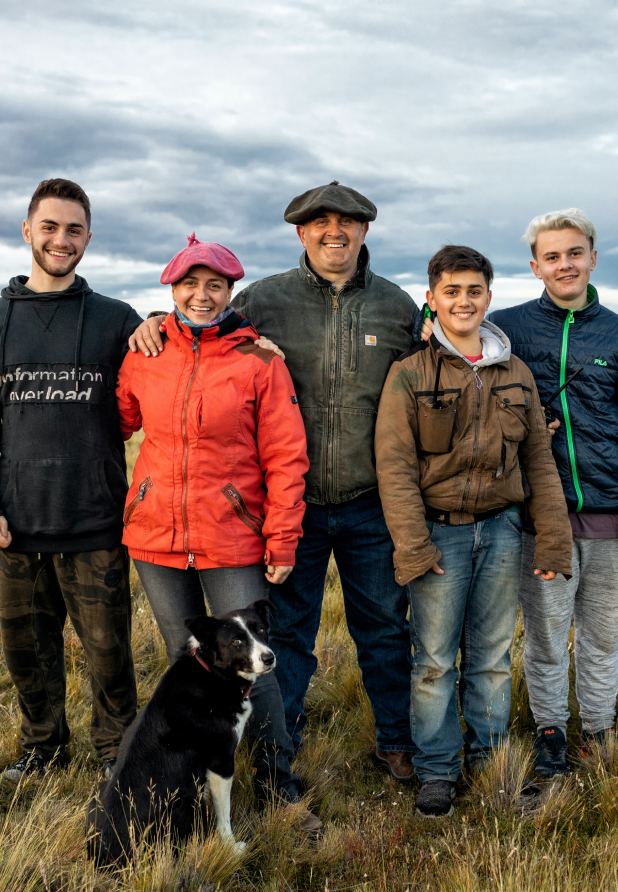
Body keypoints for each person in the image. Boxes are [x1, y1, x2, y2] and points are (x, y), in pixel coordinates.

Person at [130, 182, 419, 780]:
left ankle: (395, 741)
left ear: (366, 231)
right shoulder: (265, 300)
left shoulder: (396, 308)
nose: (333, 231)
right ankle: (283, 747)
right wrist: (156, 321)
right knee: (286, 638)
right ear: (301, 232)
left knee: (386, 631)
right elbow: (202, 330)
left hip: (370, 503)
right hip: (290, 509)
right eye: (320, 223)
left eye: (348, 222)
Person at [116, 234, 323, 834]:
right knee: (190, 668)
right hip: (156, 539)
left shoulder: (260, 361)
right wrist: (143, 333)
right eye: (189, 285)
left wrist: (282, 538)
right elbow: (123, 418)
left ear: (231, 291)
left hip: (231, 538)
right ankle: (191, 784)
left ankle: (280, 786)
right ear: (171, 290)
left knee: (254, 671)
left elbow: (287, 457)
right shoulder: (146, 352)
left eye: (214, 286)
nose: (201, 296)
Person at [375, 245, 572, 816]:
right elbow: (394, 466)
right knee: (434, 660)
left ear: (489, 296)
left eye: (474, 290)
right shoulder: (409, 373)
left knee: (489, 656)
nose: (464, 300)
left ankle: (490, 762)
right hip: (440, 537)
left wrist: (553, 539)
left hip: (504, 533)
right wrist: (414, 547)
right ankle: (437, 769)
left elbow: (539, 460)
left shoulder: (515, 373)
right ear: (432, 298)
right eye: (452, 291)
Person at [0, 179, 152, 782]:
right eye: (50, 227)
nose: (61, 240)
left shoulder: (116, 319)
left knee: (110, 655)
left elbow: (185, 352)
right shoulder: (0, 317)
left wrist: (166, 320)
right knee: (27, 656)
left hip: (94, 523)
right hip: (15, 528)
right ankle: (42, 748)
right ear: (27, 230)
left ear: (89, 237)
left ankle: (118, 753)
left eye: (74, 229)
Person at [485, 210, 618, 775]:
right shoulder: (505, 327)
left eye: (575, 253)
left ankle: (599, 725)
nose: (565, 264)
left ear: (593, 257)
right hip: (540, 514)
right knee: (544, 632)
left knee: (604, 633)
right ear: (536, 265)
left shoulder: (615, 331)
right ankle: (549, 730)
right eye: (553, 256)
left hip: (609, 511)